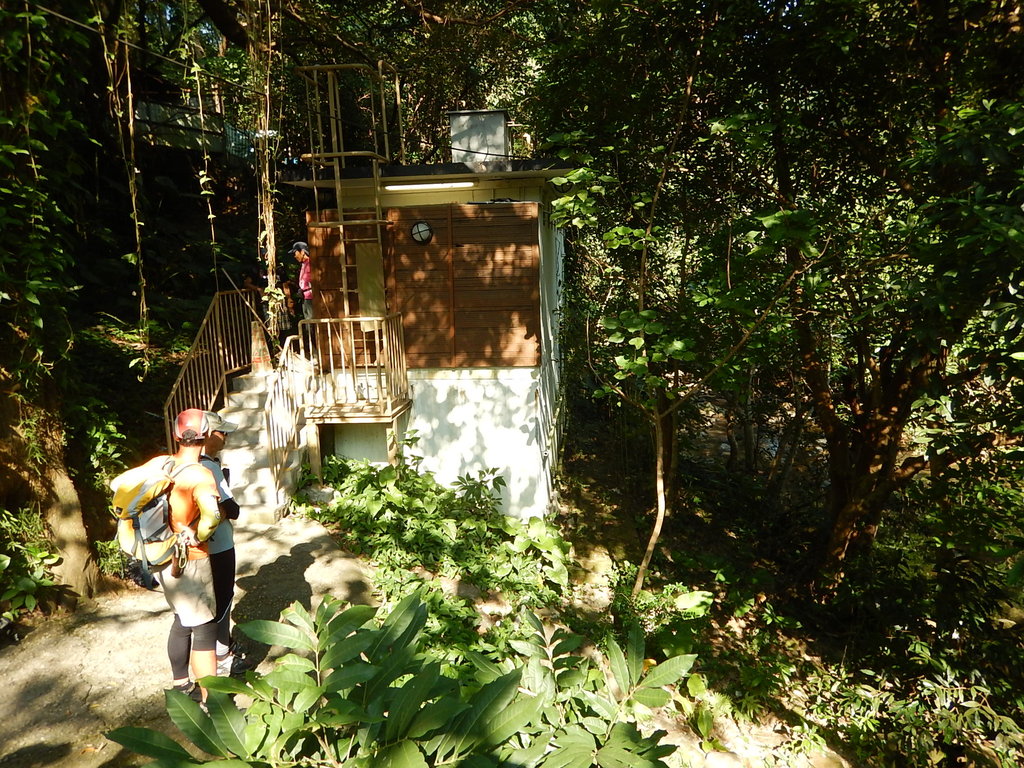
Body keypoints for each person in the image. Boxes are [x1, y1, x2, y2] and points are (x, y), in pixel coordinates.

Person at [155, 408, 223, 702]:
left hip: (161, 554)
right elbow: (212, 516)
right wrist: (200, 534)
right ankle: (213, 701)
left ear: (176, 435)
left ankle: (182, 684)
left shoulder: (164, 465)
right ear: (206, 434)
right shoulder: (201, 474)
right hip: (189, 559)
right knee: (205, 628)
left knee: (182, 619)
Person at [200, 410, 247, 676]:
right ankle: (222, 656)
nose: (226, 437)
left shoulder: (184, 464)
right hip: (219, 544)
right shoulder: (210, 467)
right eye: (222, 432)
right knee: (222, 599)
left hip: (198, 545)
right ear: (207, 434)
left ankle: (214, 651)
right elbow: (232, 509)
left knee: (205, 601)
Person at [290, 241, 313, 320]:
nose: (295, 256)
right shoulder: (304, 264)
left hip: (310, 296)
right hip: (304, 296)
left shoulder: (311, 263)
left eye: (295, 253)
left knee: (310, 320)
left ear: (302, 252)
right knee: (307, 320)